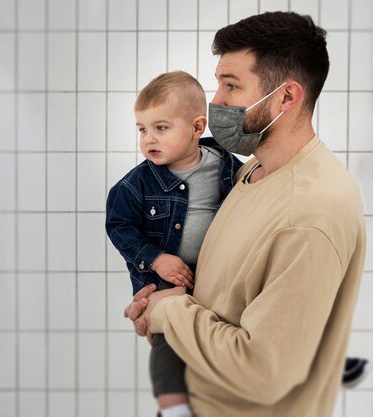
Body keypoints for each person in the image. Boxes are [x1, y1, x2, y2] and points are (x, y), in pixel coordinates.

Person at [123, 11, 366, 417]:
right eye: (218, 82)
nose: (216, 101)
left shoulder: (309, 213)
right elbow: (224, 292)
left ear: (287, 97)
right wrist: (159, 304)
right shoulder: (252, 169)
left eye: (231, 85)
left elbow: (263, 373)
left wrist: (170, 312)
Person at [105, 71, 243, 417]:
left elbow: (251, 196)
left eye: (161, 128)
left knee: (220, 336)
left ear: (197, 128)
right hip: (166, 278)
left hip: (214, 275)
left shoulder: (226, 166)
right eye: (142, 129)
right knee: (168, 338)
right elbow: (119, 225)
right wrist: (155, 258)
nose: (148, 138)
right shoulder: (135, 185)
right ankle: (173, 408)